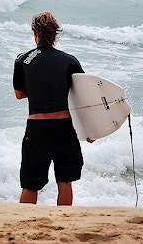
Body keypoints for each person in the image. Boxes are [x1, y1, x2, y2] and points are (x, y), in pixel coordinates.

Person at [12, 11, 90, 206]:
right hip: (64, 127)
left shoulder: (23, 60)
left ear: (35, 33)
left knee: (30, 184)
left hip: (37, 129)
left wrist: (38, 90)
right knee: (65, 180)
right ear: (55, 35)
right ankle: (63, 222)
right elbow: (83, 96)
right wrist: (90, 129)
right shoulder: (69, 60)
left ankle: (25, 225)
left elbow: (19, 94)